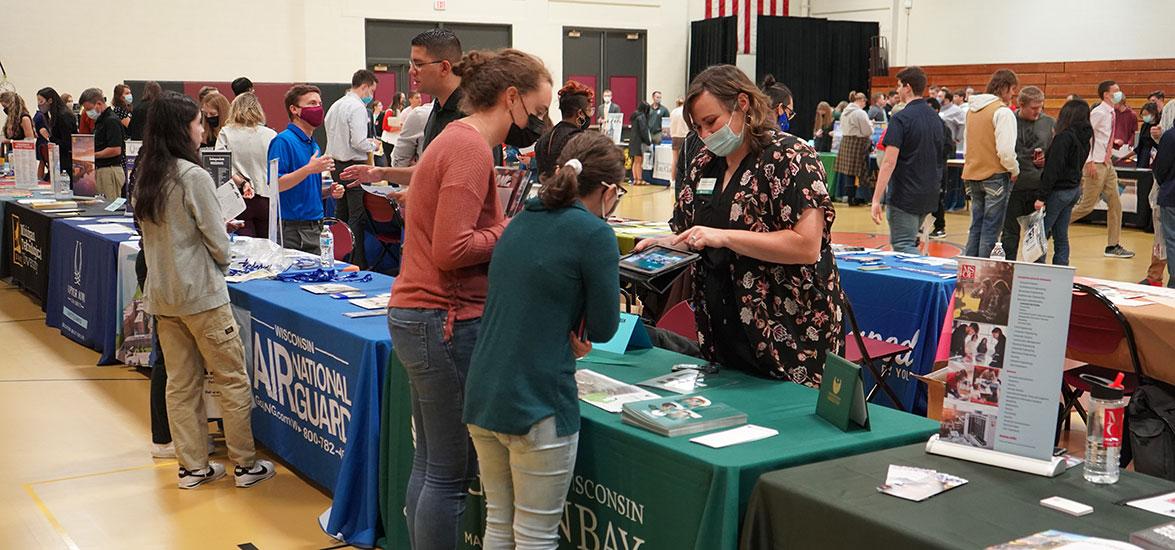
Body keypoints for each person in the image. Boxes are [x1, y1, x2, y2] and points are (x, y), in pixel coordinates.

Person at [386, 48, 552, 550]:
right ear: (510, 98)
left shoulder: (457, 141)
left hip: (425, 316)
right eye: (537, 111)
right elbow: (453, 248)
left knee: (431, 464)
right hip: (444, 319)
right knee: (448, 476)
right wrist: (512, 226)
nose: (538, 123)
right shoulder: (469, 148)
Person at [634, 64, 846, 385]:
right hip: (722, 330)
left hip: (788, 332)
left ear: (742, 104)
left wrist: (726, 237)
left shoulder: (790, 157)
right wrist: (665, 244)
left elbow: (805, 246)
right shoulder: (705, 164)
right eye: (698, 128)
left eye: (711, 123)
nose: (705, 136)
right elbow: (693, 231)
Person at [464, 131, 622, 550]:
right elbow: (605, 328)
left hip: (484, 393)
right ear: (608, 190)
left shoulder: (520, 221)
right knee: (535, 535)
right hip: (537, 401)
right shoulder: (594, 234)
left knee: (498, 524)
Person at [131, 91, 275, 489]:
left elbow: (166, 230)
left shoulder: (147, 172)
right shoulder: (191, 175)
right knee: (231, 378)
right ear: (183, 129)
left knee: (181, 384)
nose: (203, 129)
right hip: (201, 296)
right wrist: (222, 246)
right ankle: (245, 464)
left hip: (164, 296)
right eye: (198, 123)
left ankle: (192, 466)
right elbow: (217, 241)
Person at [870, 66, 945, 255]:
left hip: (905, 194)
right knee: (913, 243)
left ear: (908, 87)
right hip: (928, 193)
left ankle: (923, 281)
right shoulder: (936, 119)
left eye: (899, 86)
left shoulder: (900, 119)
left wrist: (876, 198)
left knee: (904, 246)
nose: (897, 90)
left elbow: (888, 162)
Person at [266, 84, 344, 254]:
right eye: (312, 103)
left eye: (319, 103)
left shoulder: (312, 143)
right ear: (294, 109)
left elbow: (304, 185)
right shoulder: (282, 141)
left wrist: (327, 191)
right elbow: (275, 185)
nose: (318, 108)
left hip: (316, 225)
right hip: (293, 230)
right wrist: (308, 169)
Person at [1070, 80, 1135, 258]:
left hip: (1107, 163)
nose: (1119, 93)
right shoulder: (1098, 112)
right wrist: (1089, 161)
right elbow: (1085, 137)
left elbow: (1101, 137)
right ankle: (1050, 225)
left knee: (1115, 203)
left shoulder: (1111, 113)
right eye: (1116, 91)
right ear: (1106, 94)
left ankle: (1113, 245)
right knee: (1087, 206)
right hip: (1095, 164)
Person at [324, 69, 380, 269]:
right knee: (357, 215)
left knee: (341, 214)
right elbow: (358, 142)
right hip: (353, 165)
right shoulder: (357, 108)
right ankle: (358, 261)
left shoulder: (336, 105)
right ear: (364, 86)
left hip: (335, 164)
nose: (371, 96)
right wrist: (374, 145)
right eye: (371, 91)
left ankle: (340, 258)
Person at [962, 69, 1020, 258]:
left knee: (976, 227)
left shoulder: (971, 111)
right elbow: (1005, 151)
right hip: (995, 175)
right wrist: (1014, 169)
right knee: (991, 230)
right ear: (1004, 88)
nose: (1013, 94)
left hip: (972, 173)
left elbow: (966, 145)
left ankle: (968, 272)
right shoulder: (1003, 112)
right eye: (1012, 89)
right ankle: (983, 276)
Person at [1035, 99, 1092, 266]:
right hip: (1073, 190)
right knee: (1061, 234)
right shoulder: (1085, 137)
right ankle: (1061, 268)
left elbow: (1054, 170)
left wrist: (1041, 197)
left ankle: (1036, 269)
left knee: (1041, 233)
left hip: (1058, 191)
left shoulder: (1064, 137)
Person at [1001, 86, 1054, 261]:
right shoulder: (1009, 121)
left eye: (1041, 107)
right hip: (1013, 186)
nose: (1038, 111)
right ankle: (1007, 271)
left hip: (1038, 188)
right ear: (1021, 105)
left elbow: (1055, 153)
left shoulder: (1049, 123)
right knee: (1009, 235)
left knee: (1037, 237)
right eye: (1033, 108)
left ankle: (1035, 277)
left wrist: (1047, 159)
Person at [216, 92, 277, 238]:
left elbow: (221, 166)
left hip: (238, 197)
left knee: (244, 248)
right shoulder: (271, 134)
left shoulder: (226, 132)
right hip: (267, 197)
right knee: (267, 248)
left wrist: (243, 182)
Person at [534, 80, 594, 178]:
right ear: (580, 113)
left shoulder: (544, 139)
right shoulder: (581, 141)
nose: (590, 114)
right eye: (589, 110)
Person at [80, 88, 127, 200]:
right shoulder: (100, 121)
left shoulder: (111, 121)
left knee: (109, 205)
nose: (87, 113)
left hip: (110, 171)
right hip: (101, 169)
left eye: (89, 109)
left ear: (99, 104)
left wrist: (92, 154)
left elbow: (115, 149)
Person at [1142, 102, 1170, 286]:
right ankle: (1155, 277)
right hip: (1167, 182)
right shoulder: (1171, 107)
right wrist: (1159, 137)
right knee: (1162, 231)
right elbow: (1166, 146)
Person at [835, 92, 873, 206]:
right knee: (863, 171)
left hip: (846, 141)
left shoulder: (845, 112)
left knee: (849, 172)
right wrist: (871, 125)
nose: (865, 103)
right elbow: (867, 131)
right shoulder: (860, 113)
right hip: (858, 142)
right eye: (865, 101)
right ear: (861, 100)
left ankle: (850, 198)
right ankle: (865, 198)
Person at [927, 97, 957, 240]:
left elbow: (949, 147)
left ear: (936, 110)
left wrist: (936, 155)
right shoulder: (925, 125)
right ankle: (924, 227)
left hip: (938, 168)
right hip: (926, 168)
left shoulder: (942, 127)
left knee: (937, 198)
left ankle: (940, 227)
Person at [37, 88, 76, 177]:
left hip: (67, 163)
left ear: (50, 100)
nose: (39, 104)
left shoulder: (63, 116)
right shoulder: (53, 115)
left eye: (41, 101)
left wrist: (49, 137)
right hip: (59, 161)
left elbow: (68, 143)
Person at [393, 102, 434, 167]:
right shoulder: (412, 113)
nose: (419, 100)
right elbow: (400, 159)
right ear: (410, 99)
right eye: (417, 98)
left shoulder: (421, 114)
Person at [1111, 93, 1139, 166]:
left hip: (1125, 149)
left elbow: (1134, 132)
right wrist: (1114, 140)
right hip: (1112, 148)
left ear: (1120, 102)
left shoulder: (1132, 115)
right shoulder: (1112, 114)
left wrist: (1129, 144)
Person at [629, 101, 652, 185]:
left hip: (633, 141)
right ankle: (639, 179)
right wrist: (648, 141)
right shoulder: (642, 117)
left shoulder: (635, 115)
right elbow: (644, 131)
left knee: (635, 161)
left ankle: (635, 179)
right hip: (639, 142)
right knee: (639, 161)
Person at [380, 92, 406, 166]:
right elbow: (385, 127)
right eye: (402, 98)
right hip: (388, 140)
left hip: (396, 140)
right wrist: (399, 127)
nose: (404, 100)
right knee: (390, 161)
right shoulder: (390, 111)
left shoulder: (401, 111)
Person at [669, 97, 688, 185]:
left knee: (674, 159)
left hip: (674, 136)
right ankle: (683, 180)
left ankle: (672, 180)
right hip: (684, 136)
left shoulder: (673, 112)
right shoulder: (685, 111)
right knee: (684, 159)